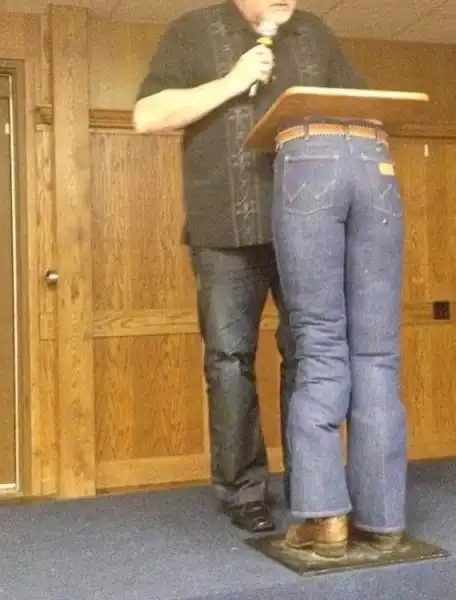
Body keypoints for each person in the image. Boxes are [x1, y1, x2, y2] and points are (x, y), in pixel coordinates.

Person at [133, 0, 364, 533]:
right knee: (229, 361)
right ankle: (244, 492)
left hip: (309, 227)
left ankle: (313, 486)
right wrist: (233, 81)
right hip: (224, 234)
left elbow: (358, 108)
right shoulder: (192, 31)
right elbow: (146, 115)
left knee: (311, 355)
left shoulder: (314, 32)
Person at [272, 119, 407, 556]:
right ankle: (383, 519)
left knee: (319, 345)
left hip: (308, 156)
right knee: (378, 355)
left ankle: (326, 518)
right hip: (376, 161)